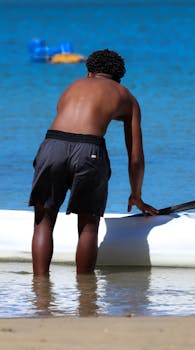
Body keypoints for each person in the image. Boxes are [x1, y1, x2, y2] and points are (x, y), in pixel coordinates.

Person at [29, 48, 158, 276]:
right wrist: (136, 195)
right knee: (88, 225)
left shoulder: (73, 86)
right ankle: (86, 295)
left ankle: (40, 292)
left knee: (44, 219)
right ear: (118, 78)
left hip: (52, 144)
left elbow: (73, 119)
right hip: (90, 150)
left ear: (89, 72)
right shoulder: (125, 96)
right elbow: (136, 158)